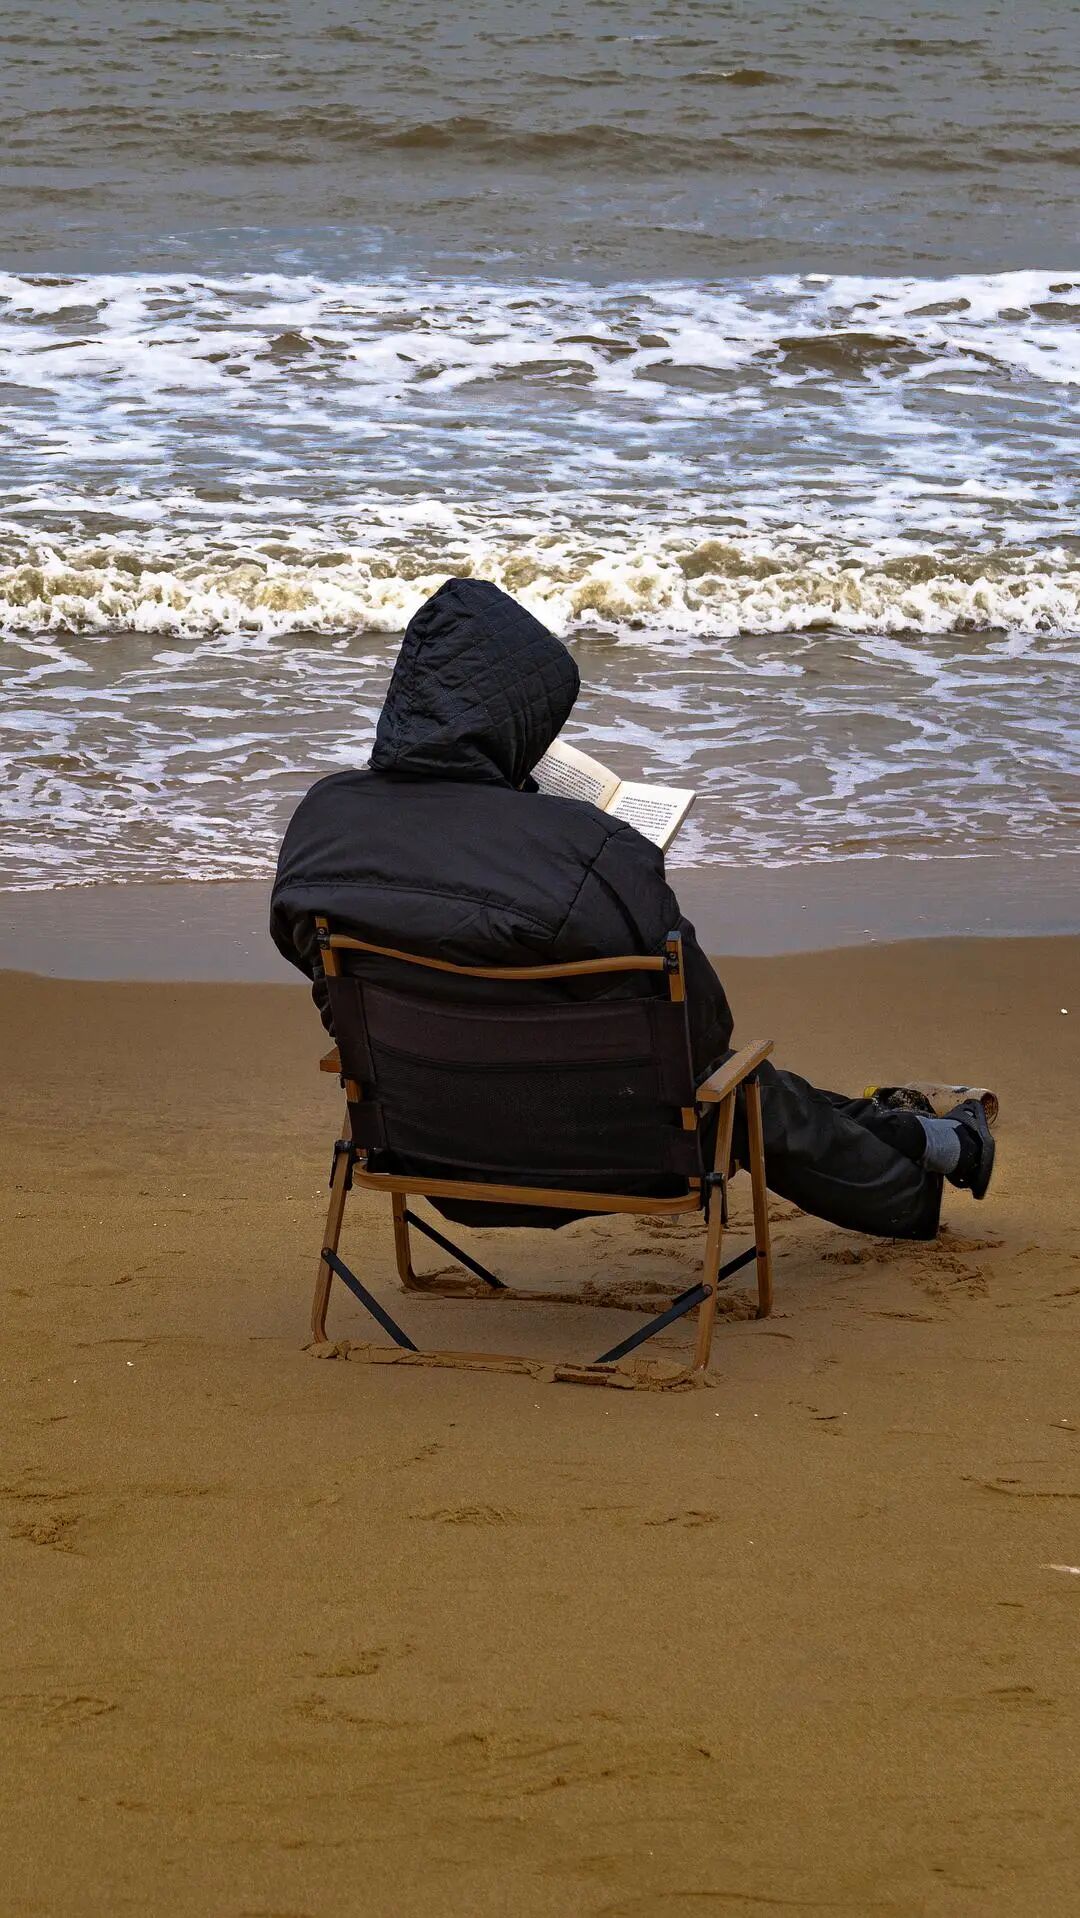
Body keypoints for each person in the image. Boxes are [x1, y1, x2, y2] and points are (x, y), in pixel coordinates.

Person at [271, 578, 994, 1238]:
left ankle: (922, 1136)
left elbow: (334, 992)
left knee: (728, 1087)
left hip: (423, 1145)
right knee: (735, 1088)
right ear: (519, 722)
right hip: (603, 1157)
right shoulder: (588, 851)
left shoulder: (322, 826)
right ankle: (917, 1179)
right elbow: (703, 1032)